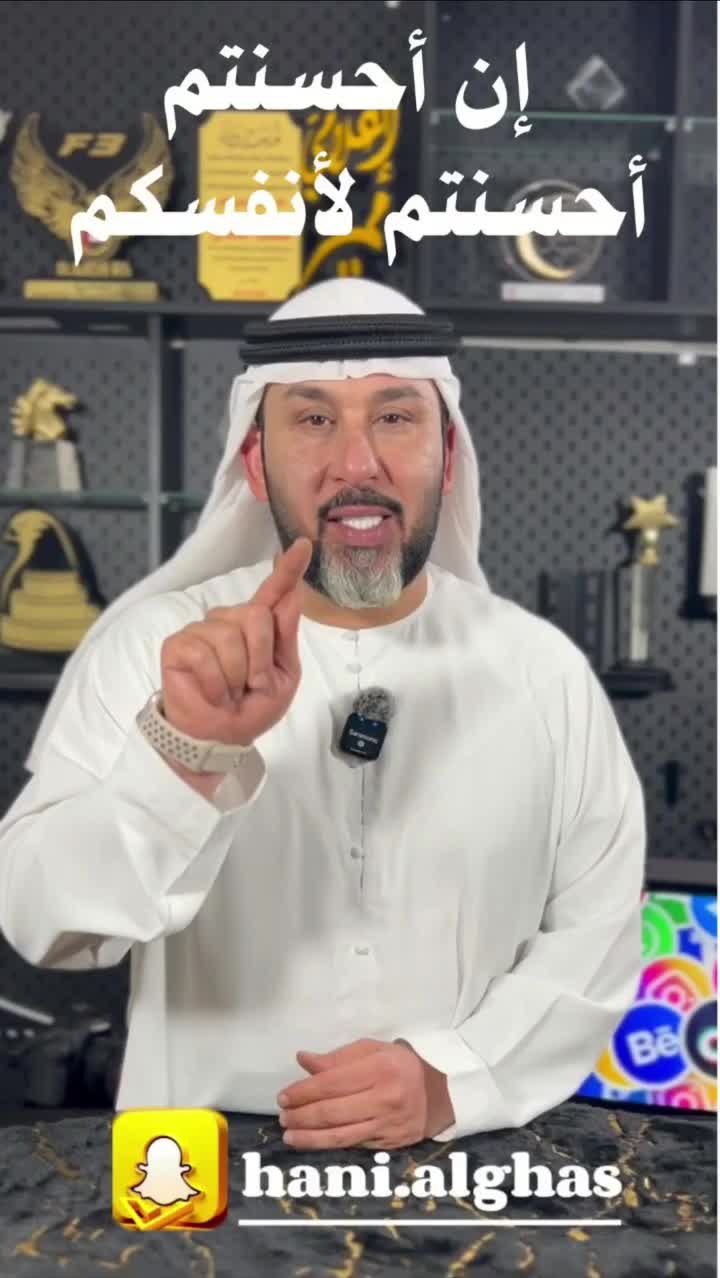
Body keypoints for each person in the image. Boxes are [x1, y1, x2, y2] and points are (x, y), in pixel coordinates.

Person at [0, 279, 646, 1150]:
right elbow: (43, 922)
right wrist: (183, 753)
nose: (357, 463)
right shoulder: (152, 649)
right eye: (312, 419)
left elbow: (598, 933)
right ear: (255, 460)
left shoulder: (543, 672)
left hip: (465, 1160)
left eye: (395, 417)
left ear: (447, 453)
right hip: (198, 1168)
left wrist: (453, 1077)